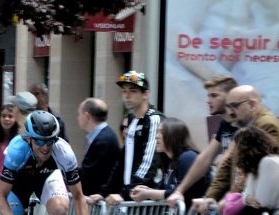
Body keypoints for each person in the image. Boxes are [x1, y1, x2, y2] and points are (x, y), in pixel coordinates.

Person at [176, 84, 279, 214]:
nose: (230, 112)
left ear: (252, 105)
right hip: (248, 204)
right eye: (229, 107)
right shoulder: (244, 126)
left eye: (235, 106)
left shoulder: (266, 124)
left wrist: (230, 199)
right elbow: (228, 164)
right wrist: (211, 197)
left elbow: (256, 172)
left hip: (262, 208)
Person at [165, 75, 240, 209]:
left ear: (230, 97)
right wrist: (179, 191)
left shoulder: (241, 125)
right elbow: (204, 159)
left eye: (214, 96)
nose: (208, 100)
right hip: (224, 198)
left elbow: (226, 161)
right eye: (208, 96)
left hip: (237, 198)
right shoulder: (224, 124)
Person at [95, 71, 162, 204]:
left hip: (145, 201)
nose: (127, 95)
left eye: (133, 91)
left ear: (146, 94)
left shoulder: (154, 119)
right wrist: (105, 193)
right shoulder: (131, 119)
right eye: (124, 91)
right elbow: (122, 161)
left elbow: (148, 163)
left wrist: (125, 193)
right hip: (129, 199)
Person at [129, 117, 207, 205]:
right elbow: (165, 190)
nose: (156, 136)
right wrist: (147, 190)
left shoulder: (187, 157)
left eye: (161, 132)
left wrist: (148, 193)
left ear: (174, 136)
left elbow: (182, 192)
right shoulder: (169, 162)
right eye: (157, 132)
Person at [76, 98, 120, 196]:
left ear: (87, 116)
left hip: (100, 199)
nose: (78, 118)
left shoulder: (104, 140)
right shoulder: (102, 136)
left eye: (79, 114)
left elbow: (89, 173)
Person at [0, 103, 18, 181]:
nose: (6, 119)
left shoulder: (18, 139)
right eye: (3, 116)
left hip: (6, 180)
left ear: (15, 119)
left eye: (10, 116)